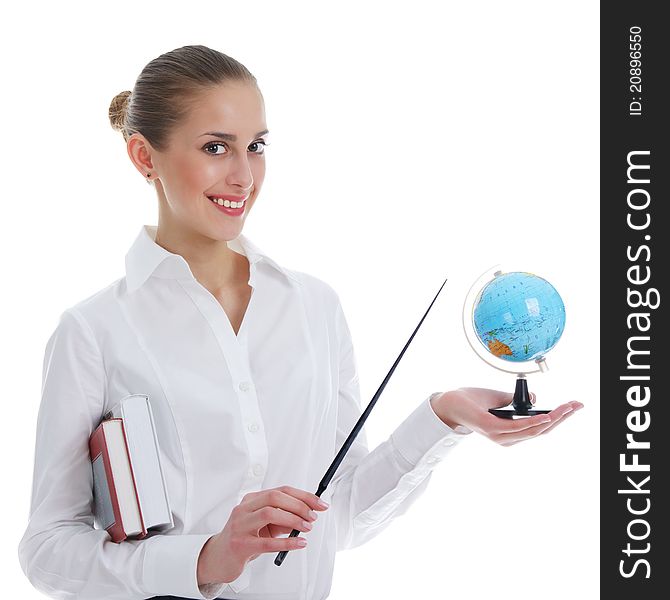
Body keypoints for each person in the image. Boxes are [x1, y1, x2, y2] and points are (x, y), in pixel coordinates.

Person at [17, 45, 582, 600]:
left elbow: (340, 518)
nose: (244, 176)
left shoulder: (315, 307)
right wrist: (205, 558)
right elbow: (46, 551)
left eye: (256, 146)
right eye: (216, 147)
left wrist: (443, 417)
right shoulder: (92, 330)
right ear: (145, 157)